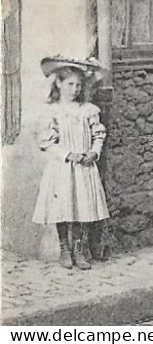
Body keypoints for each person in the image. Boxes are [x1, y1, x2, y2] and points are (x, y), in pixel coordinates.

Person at [32, 56, 109, 270]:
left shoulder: (88, 110)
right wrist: (67, 154)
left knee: (81, 207)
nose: (74, 89)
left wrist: (94, 152)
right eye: (70, 84)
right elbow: (47, 141)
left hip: (84, 165)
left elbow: (99, 134)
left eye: (78, 85)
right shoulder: (53, 111)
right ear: (59, 83)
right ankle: (64, 249)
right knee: (63, 206)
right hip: (63, 167)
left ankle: (78, 248)